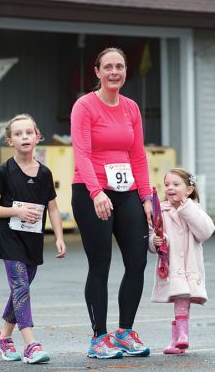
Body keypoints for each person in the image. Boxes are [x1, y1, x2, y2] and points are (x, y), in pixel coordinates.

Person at [70, 47, 153, 359]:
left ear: (125, 71)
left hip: (126, 191)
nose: (114, 72)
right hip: (91, 193)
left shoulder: (131, 108)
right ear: (97, 71)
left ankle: (124, 332)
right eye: (108, 67)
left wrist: (145, 197)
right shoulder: (85, 106)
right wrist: (96, 192)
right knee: (100, 264)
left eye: (119, 66)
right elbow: (82, 152)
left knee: (137, 261)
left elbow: (138, 156)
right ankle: (98, 338)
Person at [0, 114, 66, 364]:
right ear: (10, 141)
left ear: (37, 137)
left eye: (28, 133)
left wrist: (59, 237)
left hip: (33, 240)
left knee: (20, 290)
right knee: (20, 287)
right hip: (10, 240)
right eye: (18, 134)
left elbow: (52, 207)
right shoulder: (4, 171)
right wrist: (16, 211)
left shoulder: (44, 173)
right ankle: (31, 344)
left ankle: (2, 338)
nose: (24, 137)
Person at [148, 168, 215, 355]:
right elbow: (153, 233)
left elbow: (205, 232)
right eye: (167, 184)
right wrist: (155, 241)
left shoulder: (194, 210)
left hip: (190, 263)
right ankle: (179, 338)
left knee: (183, 297)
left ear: (189, 190)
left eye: (176, 184)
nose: (170, 188)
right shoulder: (160, 209)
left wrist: (186, 209)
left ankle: (180, 337)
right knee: (180, 297)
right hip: (172, 265)